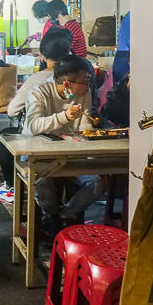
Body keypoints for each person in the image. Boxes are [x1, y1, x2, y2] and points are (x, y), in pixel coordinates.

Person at [23, 55, 104, 236]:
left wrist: (90, 130)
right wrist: (64, 117)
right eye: (85, 81)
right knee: (43, 183)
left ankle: (67, 214)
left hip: (71, 154)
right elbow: (33, 126)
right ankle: (49, 216)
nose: (88, 85)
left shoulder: (85, 93)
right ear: (66, 84)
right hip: (40, 154)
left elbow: (84, 125)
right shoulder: (39, 92)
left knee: (98, 181)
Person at [0, 27, 74, 202]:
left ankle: (11, 187)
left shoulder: (37, 79)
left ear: (44, 56)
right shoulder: (79, 76)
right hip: (72, 138)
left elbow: (12, 110)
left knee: (4, 138)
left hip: (43, 140)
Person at [112, 11, 130, 81]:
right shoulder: (139, 15)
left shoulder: (129, 14)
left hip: (120, 55)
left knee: (118, 88)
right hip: (127, 56)